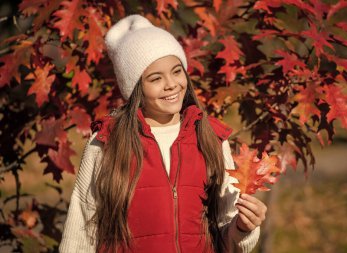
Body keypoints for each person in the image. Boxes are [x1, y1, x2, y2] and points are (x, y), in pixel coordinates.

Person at [59, 14, 267, 253]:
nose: (171, 84)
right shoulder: (107, 141)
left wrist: (243, 227)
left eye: (177, 71)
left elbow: (226, 232)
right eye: (155, 78)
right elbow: (81, 230)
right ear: (135, 87)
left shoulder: (210, 137)